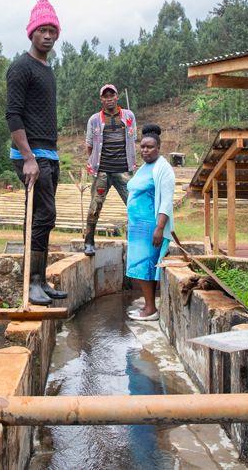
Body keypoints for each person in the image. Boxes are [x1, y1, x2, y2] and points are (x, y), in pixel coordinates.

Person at [5, 0, 68, 305]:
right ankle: (31, 282)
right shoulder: (21, 68)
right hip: (32, 155)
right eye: (42, 30)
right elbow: (13, 115)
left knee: (44, 217)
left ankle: (40, 281)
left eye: (52, 30)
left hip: (49, 153)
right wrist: (28, 157)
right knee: (43, 214)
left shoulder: (47, 69)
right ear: (31, 33)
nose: (47, 35)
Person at [126, 124, 175, 320]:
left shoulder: (163, 169)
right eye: (143, 147)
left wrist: (160, 228)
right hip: (136, 227)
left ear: (159, 148)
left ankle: (150, 309)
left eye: (150, 147)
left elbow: (166, 201)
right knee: (139, 267)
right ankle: (148, 307)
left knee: (146, 266)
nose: (145, 150)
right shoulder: (144, 168)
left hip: (150, 227)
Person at [83, 84, 137, 256]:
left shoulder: (128, 116)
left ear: (117, 97)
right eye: (105, 97)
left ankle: (133, 238)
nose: (109, 99)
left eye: (111, 96)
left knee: (134, 204)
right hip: (103, 171)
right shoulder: (94, 120)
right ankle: (89, 241)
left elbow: (132, 140)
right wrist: (94, 164)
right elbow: (90, 145)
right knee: (95, 205)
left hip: (123, 170)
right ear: (101, 100)